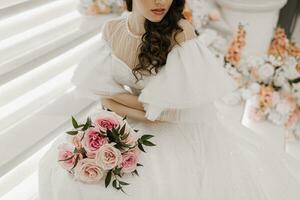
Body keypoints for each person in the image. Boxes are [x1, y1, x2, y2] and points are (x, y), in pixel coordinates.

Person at [38, 0, 300, 199]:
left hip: (176, 129)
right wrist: (135, 110)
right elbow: (104, 94)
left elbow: (176, 113)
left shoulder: (180, 33)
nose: (160, 2)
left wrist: (123, 104)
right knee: (67, 171)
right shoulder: (112, 30)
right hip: (125, 122)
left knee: (152, 181)